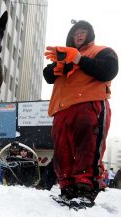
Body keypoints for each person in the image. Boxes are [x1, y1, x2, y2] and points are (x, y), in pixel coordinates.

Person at [43, 20, 118, 207]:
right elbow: (48, 76)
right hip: (62, 110)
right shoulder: (63, 57)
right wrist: (57, 66)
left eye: (83, 31)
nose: (78, 35)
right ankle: (67, 190)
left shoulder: (102, 51)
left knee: (88, 150)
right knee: (62, 153)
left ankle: (85, 191)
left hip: (88, 105)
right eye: (75, 32)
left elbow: (109, 70)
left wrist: (79, 59)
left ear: (90, 35)